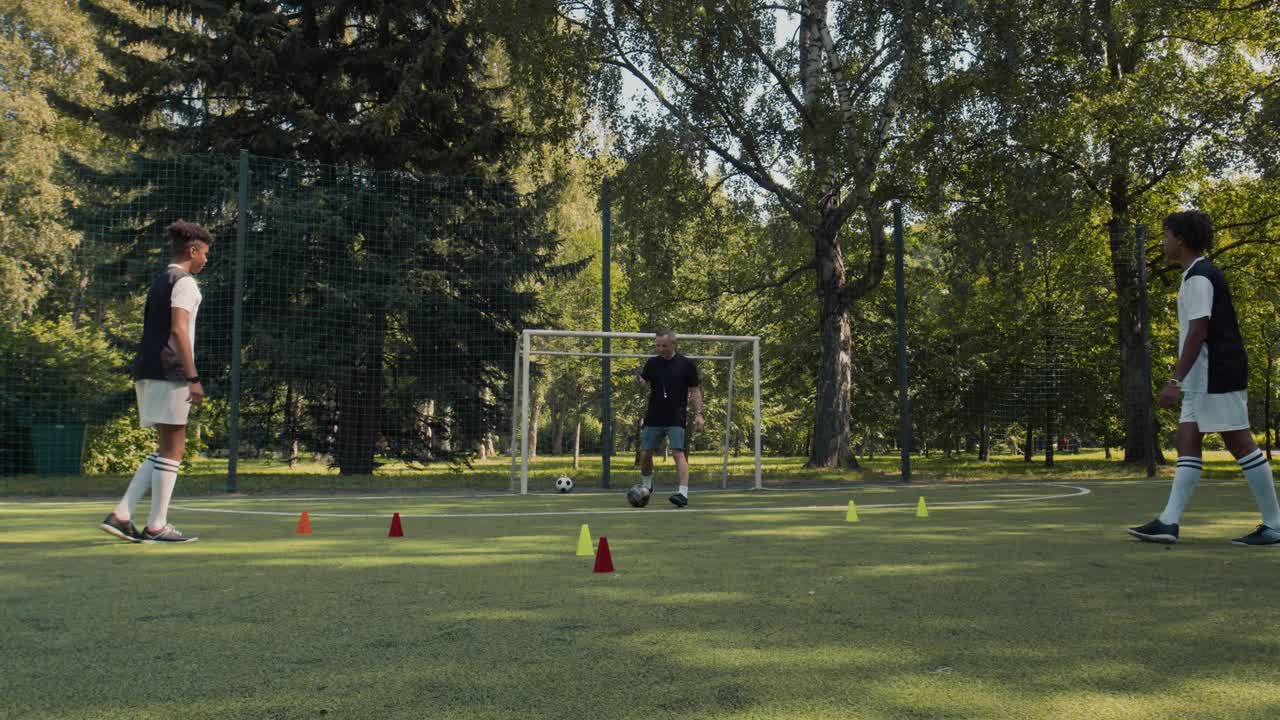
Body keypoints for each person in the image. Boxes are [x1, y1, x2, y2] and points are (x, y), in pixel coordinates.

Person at [1128, 210, 1279, 546]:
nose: (1162, 240)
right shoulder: (1193, 276)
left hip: (1217, 373)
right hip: (1202, 378)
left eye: (1166, 234)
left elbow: (1198, 332)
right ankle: (1169, 522)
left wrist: (1174, 381)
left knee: (1238, 442)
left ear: (1181, 239)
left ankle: (1276, 524)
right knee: (1187, 441)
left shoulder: (1200, 277)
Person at [99, 220, 210, 544]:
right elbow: (178, 330)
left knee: (165, 448)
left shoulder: (163, 279)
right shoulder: (185, 282)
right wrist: (193, 379)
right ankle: (156, 525)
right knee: (175, 448)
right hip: (169, 370)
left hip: (147, 368)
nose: (206, 260)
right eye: (204, 253)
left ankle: (121, 515)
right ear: (192, 251)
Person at [633, 330, 704, 508]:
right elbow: (643, 382)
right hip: (654, 416)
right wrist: (638, 382)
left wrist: (699, 413)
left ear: (673, 344)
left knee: (678, 453)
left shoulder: (687, 364)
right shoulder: (652, 363)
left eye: (664, 345)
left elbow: (695, 390)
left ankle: (683, 494)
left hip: (676, 416)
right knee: (645, 454)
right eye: (657, 345)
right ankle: (647, 485)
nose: (660, 348)